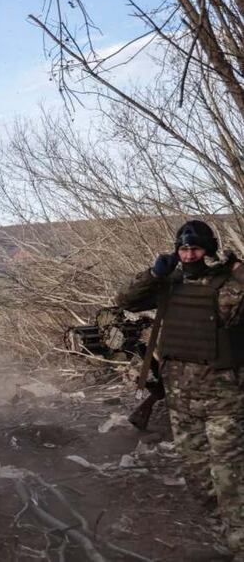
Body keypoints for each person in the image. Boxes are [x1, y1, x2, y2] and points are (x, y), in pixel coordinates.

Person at [115, 220, 244, 557]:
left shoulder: (228, 285)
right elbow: (125, 300)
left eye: (195, 249)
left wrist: (239, 271)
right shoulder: (168, 284)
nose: (189, 256)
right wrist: (153, 274)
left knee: (231, 478)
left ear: (209, 250)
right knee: (198, 479)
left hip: (224, 400)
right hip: (181, 400)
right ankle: (223, 533)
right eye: (183, 249)